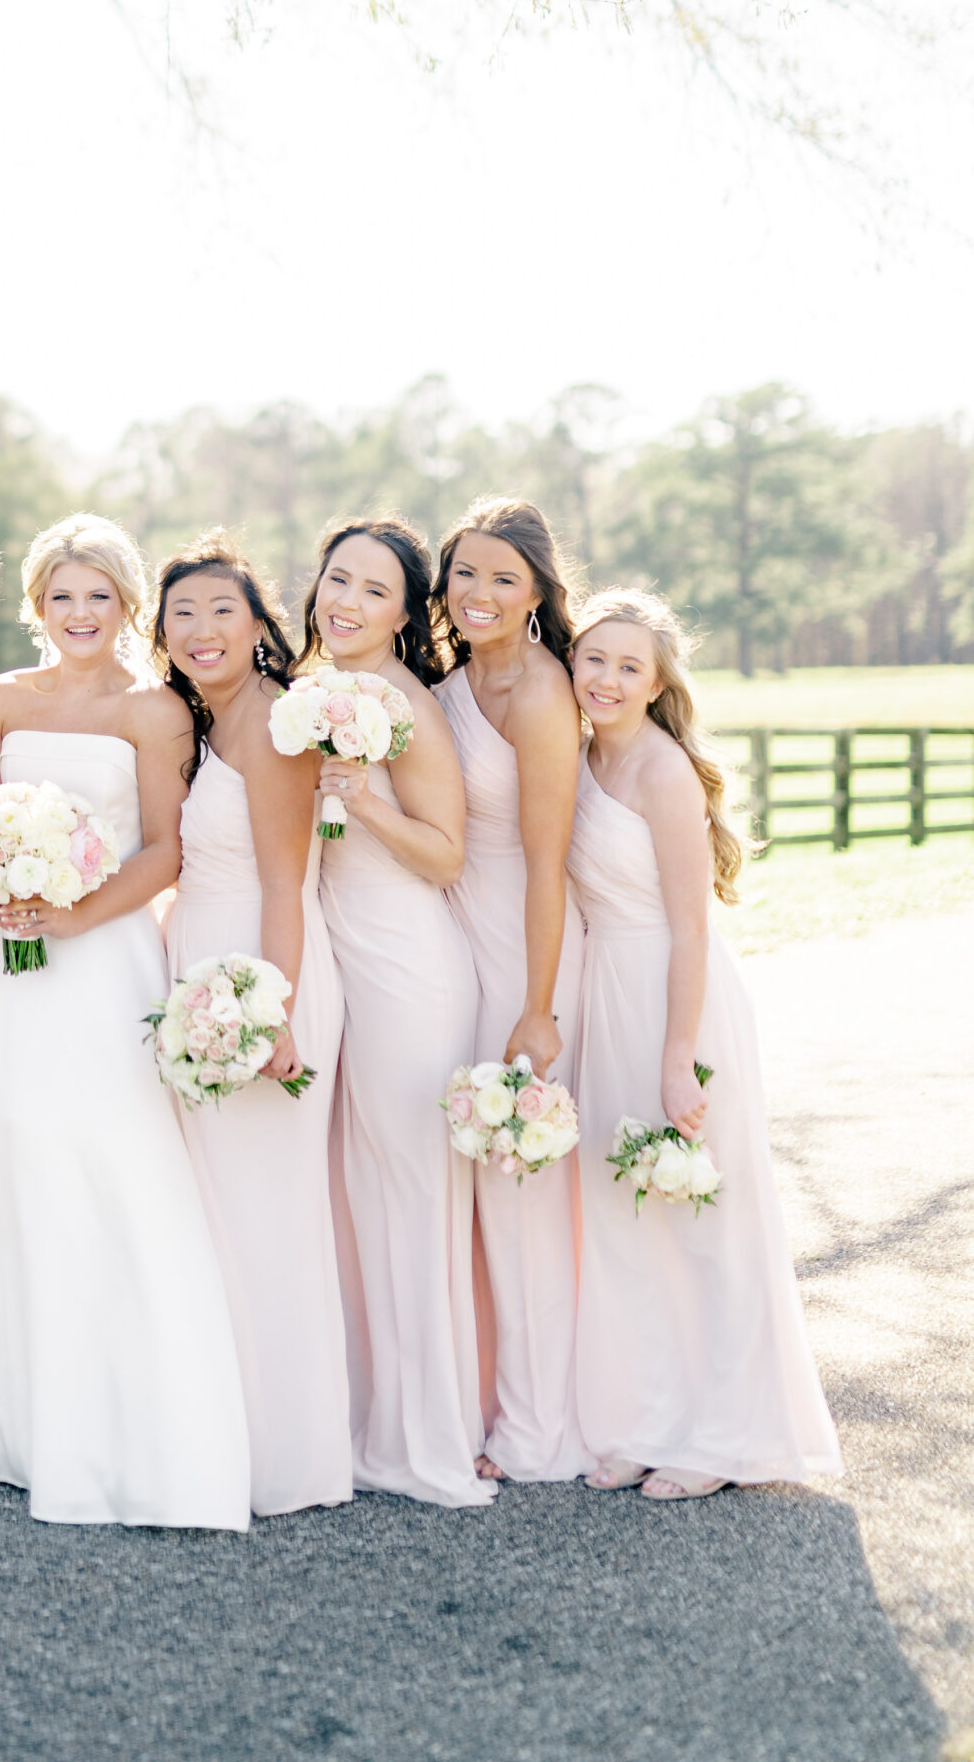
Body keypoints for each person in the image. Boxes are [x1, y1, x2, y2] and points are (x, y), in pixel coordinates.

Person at [0, 513, 250, 1529]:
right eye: (62, 596)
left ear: (127, 606)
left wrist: (70, 914)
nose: (80, 613)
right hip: (8, 969)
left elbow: (163, 853)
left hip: (103, 957)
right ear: (37, 607)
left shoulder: (154, 710)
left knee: (108, 1160)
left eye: (99, 596)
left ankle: (123, 1427)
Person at [569, 588, 842, 1500]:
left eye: (627, 667)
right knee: (626, 1217)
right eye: (594, 659)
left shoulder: (660, 772)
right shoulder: (573, 759)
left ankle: (723, 1437)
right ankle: (648, 1420)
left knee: (704, 1223)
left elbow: (691, 928)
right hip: (604, 995)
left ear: (655, 684)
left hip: (674, 1000)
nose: (605, 679)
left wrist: (678, 1053)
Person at [158, 532, 353, 1518]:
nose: (200, 629)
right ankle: (226, 1430)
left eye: (221, 610)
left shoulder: (275, 723)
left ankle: (288, 1455)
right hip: (207, 969)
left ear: (259, 623)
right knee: (220, 1216)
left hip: (261, 977)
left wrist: (270, 1013)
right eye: (182, 612)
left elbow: (286, 881)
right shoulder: (203, 719)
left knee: (267, 1216)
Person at [301, 517, 491, 1507]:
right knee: (357, 1195)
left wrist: (363, 799)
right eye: (339, 579)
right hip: (343, 967)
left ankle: (425, 1435)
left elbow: (446, 853)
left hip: (409, 971)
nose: (349, 602)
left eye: (375, 591)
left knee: (412, 1198)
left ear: (407, 613)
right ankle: (368, 1410)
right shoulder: (306, 688)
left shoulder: (405, 702)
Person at [432, 496, 588, 1483]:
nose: (479, 593)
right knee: (467, 1181)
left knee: (518, 1178)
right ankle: (479, 1397)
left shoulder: (540, 692)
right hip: (445, 930)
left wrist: (539, 1003)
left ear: (535, 593)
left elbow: (548, 862)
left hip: (521, 934)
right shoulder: (445, 681)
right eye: (465, 574)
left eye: (502, 577)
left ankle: (536, 1427)